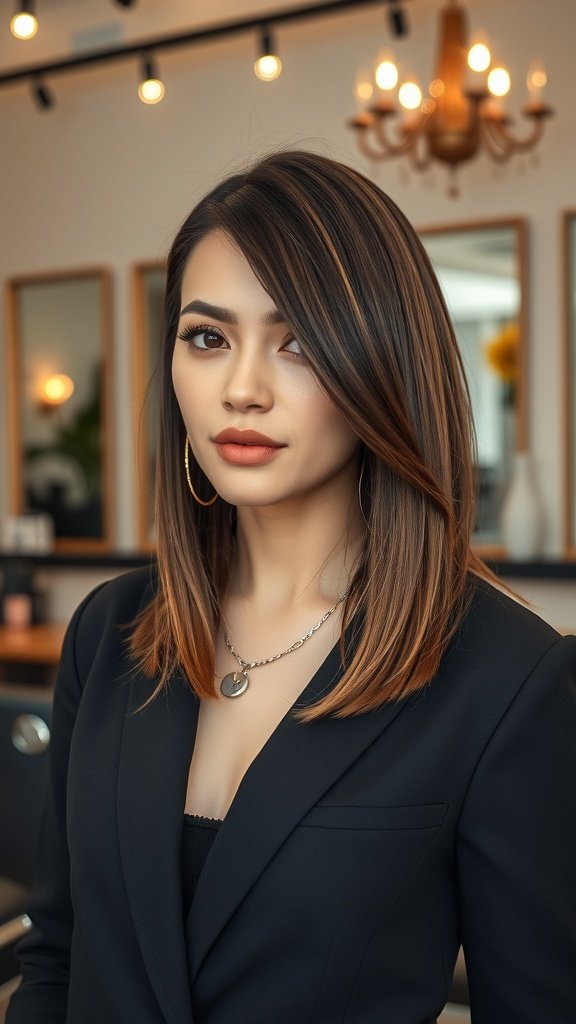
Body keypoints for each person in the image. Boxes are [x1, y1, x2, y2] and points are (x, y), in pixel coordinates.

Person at [7, 150, 576, 1024]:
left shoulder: (509, 679)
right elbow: (56, 955)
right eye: (207, 337)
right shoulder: (109, 631)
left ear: (380, 366)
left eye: (298, 342)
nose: (241, 388)